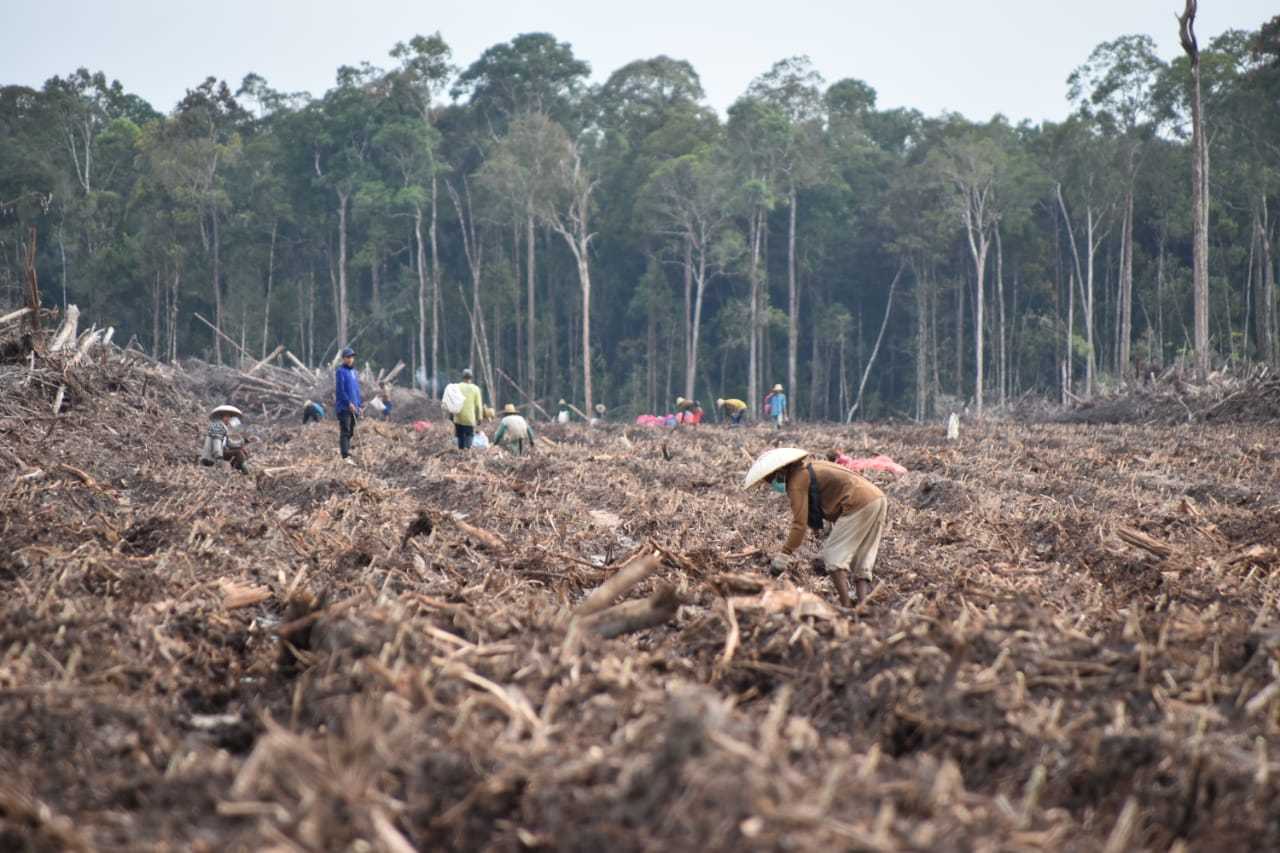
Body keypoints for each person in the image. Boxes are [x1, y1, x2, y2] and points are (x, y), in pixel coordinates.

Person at [743, 447, 887, 608]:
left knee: (833, 557)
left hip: (858, 502)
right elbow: (830, 493)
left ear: (779, 471)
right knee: (862, 557)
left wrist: (784, 554)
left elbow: (799, 523)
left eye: (770, 480)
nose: (772, 484)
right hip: (877, 498)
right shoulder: (810, 466)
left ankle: (846, 606)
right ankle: (863, 605)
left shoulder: (796, 481)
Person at [200, 405, 251, 474]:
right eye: (227, 417)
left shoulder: (223, 428)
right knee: (238, 453)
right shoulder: (217, 426)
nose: (229, 418)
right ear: (222, 417)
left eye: (229, 417)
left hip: (221, 452)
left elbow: (229, 443)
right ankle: (247, 473)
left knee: (240, 453)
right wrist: (218, 457)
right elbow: (217, 443)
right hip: (212, 456)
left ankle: (239, 473)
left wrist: (243, 441)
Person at [335, 346, 363, 465]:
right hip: (344, 407)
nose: (350, 359)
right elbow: (340, 390)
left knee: (351, 431)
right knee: (345, 430)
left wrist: (359, 405)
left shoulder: (354, 372)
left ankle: (347, 450)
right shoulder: (340, 371)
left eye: (352, 357)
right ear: (343, 359)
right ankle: (345, 455)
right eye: (348, 357)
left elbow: (356, 390)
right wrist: (348, 403)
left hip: (354, 406)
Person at [452, 368, 485, 449]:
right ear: (471, 377)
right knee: (469, 435)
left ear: (462, 377)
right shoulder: (475, 389)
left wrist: (452, 415)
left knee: (460, 436)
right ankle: (468, 452)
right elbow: (478, 406)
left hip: (458, 417)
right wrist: (479, 418)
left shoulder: (457, 387)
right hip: (469, 418)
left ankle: (461, 451)